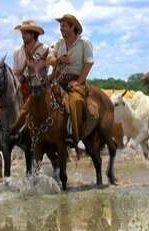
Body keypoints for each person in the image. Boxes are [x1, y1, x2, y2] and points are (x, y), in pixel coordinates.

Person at [46, 13, 97, 145]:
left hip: (76, 80)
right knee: (40, 97)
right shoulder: (59, 42)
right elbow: (49, 59)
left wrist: (78, 81)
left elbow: (89, 63)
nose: (61, 28)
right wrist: (59, 59)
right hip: (58, 80)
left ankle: (75, 134)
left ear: (72, 27)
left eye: (64, 26)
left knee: (75, 101)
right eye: (61, 26)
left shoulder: (84, 43)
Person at [10, 20, 49, 134]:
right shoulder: (17, 51)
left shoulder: (44, 48)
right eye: (22, 32)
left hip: (39, 85)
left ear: (33, 34)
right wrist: (19, 78)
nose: (22, 35)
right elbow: (16, 72)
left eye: (25, 32)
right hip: (21, 85)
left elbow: (44, 67)